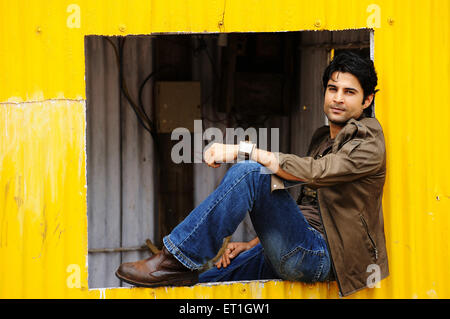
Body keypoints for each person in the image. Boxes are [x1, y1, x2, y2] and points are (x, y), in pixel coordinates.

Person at [115, 51, 389, 297]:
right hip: (301, 243)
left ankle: (175, 259)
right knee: (208, 283)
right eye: (333, 88)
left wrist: (243, 149)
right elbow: (306, 208)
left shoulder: (368, 143)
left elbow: (316, 172)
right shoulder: (323, 138)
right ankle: (178, 268)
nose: (338, 98)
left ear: (367, 99)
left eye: (349, 92)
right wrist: (256, 243)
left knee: (251, 173)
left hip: (321, 257)